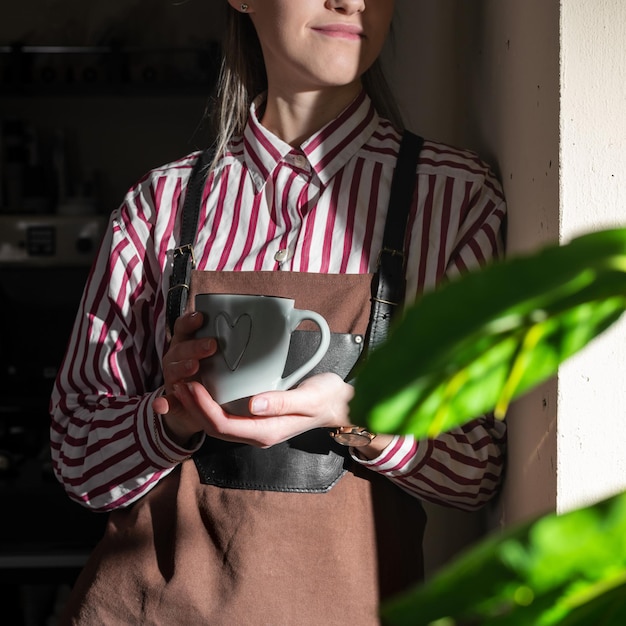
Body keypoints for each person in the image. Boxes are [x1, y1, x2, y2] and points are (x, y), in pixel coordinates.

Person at [50, 1, 507, 624]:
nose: (352, 0)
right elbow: (77, 455)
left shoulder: (454, 197)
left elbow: (479, 465)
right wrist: (169, 420)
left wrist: (359, 420)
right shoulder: (160, 203)